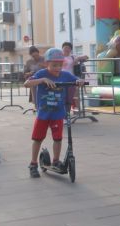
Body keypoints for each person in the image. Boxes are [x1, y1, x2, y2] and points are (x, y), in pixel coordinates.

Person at [24, 48, 84, 178]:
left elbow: (76, 79)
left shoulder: (65, 75)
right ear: (47, 64)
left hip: (58, 113)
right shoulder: (41, 73)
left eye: (60, 65)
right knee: (38, 139)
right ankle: (33, 163)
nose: (57, 68)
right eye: (54, 65)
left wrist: (79, 81)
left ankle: (56, 161)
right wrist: (42, 80)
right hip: (43, 114)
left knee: (58, 138)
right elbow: (27, 83)